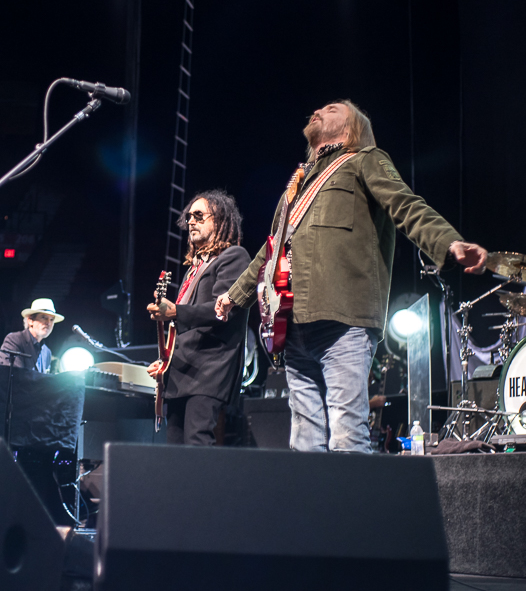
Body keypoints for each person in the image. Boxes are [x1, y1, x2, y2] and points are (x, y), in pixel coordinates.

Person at [215, 100, 487, 453]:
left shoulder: (365, 159)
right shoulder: (293, 190)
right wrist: (234, 296)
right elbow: (270, 253)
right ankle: (314, 509)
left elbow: (407, 205)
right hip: (292, 326)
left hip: (344, 319)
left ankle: (354, 509)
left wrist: (448, 243)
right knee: (303, 441)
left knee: (347, 434)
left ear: (353, 128)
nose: (319, 111)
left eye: (332, 109)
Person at [146, 190, 251, 446]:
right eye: (189, 217)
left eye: (199, 215)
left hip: (209, 369)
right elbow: (182, 328)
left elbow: (221, 310)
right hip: (183, 368)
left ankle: (204, 488)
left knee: (196, 442)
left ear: (220, 220)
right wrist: (165, 360)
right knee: (175, 448)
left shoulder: (234, 258)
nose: (191, 221)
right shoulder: (193, 268)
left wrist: (174, 312)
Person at [0, 298, 63, 374]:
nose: (48, 323)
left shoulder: (47, 352)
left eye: (51, 319)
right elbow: (15, 376)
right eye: (43, 317)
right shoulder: (14, 340)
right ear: (30, 320)